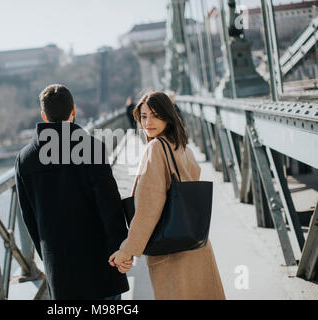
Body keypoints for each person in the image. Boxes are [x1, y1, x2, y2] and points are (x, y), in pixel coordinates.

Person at [15, 84, 129, 300]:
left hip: (61, 271)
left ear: (44, 116)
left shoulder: (25, 159)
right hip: (100, 265)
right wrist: (121, 249)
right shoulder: (91, 147)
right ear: (73, 111)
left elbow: (29, 218)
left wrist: (49, 259)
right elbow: (109, 205)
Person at [109, 91, 226, 300]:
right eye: (144, 116)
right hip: (196, 245)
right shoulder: (182, 146)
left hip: (174, 254)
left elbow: (148, 208)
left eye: (155, 115)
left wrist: (127, 250)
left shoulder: (156, 148)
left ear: (168, 116)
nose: (148, 122)